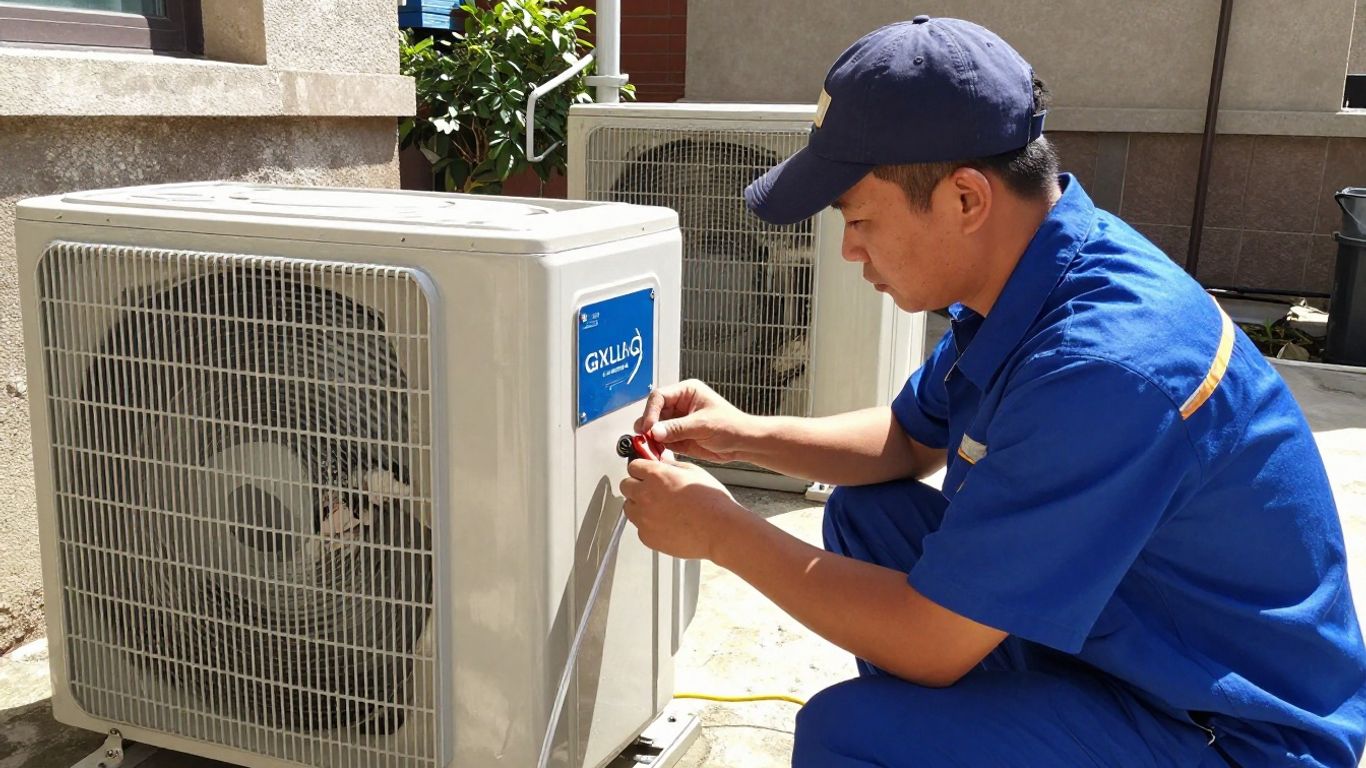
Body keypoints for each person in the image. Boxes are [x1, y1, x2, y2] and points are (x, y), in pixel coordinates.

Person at [617, 15, 1366, 768]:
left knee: (851, 733)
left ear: (966, 199)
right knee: (870, 517)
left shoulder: (1104, 367)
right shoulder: (1038, 275)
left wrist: (719, 530)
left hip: (1227, 731)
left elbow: (928, 643)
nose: (848, 249)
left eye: (860, 218)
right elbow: (909, 440)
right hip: (1133, 648)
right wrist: (742, 433)